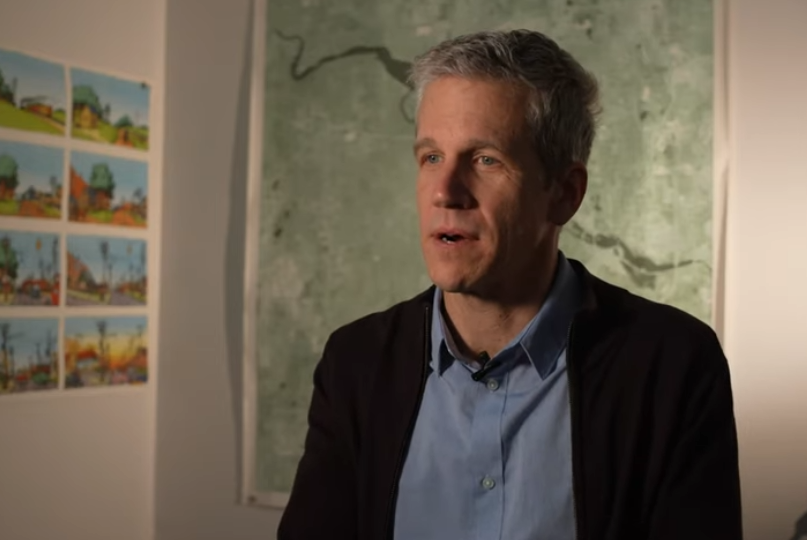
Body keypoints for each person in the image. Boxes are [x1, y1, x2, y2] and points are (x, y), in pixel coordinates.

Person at [277, 29, 742, 540]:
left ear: (564, 195)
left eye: (485, 160)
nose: (445, 192)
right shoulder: (355, 363)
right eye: (431, 157)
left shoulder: (672, 365)